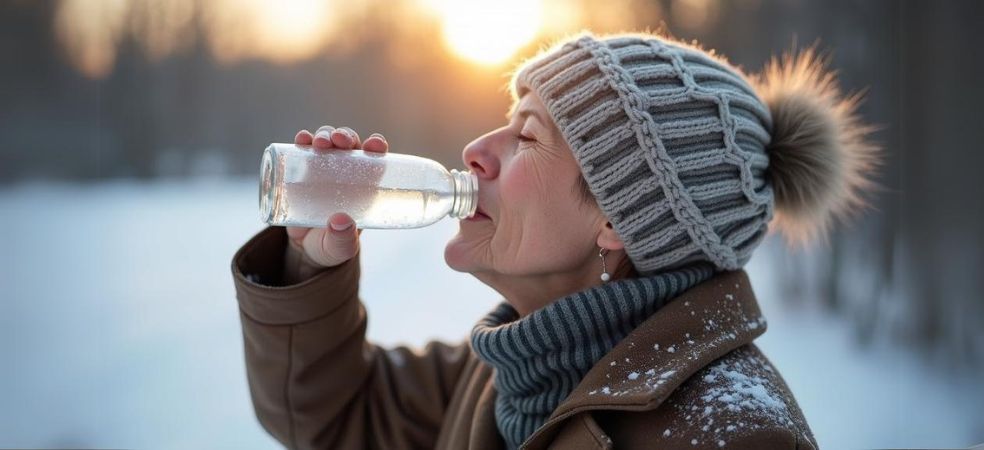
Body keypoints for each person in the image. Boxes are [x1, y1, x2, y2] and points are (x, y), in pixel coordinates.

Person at [231, 31, 877, 449]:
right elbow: (338, 416)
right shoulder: (511, 365)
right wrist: (308, 263)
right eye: (505, 122)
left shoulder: (731, 435)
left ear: (617, 219)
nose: (476, 150)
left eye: (529, 136)